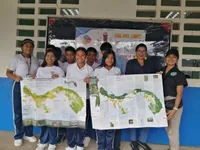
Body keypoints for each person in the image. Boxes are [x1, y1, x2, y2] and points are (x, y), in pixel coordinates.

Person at [125, 43, 158, 150]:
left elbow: (155, 77)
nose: (141, 53)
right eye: (139, 50)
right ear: (136, 52)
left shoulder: (151, 63)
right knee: (133, 116)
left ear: (146, 52)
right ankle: (133, 141)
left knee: (148, 116)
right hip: (133, 95)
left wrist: (158, 74)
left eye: (143, 51)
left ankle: (142, 140)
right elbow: (127, 78)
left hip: (147, 95)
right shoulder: (130, 63)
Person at [6, 39, 39, 146]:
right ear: (22, 47)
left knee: (30, 111)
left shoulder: (35, 59)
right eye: (26, 46)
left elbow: (37, 73)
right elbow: (8, 72)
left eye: (30, 46)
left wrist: (36, 76)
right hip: (18, 86)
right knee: (18, 111)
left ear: (33, 48)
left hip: (31, 88)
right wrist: (15, 77)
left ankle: (28, 134)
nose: (28, 48)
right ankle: (18, 135)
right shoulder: (16, 58)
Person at [65, 47, 93, 150]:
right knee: (71, 122)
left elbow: (93, 86)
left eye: (82, 55)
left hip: (84, 99)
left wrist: (89, 82)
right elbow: (67, 82)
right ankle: (71, 145)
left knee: (82, 122)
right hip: (72, 99)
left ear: (85, 57)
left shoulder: (90, 69)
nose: (80, 57)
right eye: (78, 55)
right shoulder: (70, 68)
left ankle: (80, 144)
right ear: (75, 56)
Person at [36, 49, 64, 150]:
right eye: (48, 56)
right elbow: (37, 84)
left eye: (52, 56)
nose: (50, 58)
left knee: (53, 121)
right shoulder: (40, 69)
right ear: (45, 57)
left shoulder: (59, 70)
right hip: (43, 99)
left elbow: (63, 84)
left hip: (54, 100)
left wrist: (58, 78)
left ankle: (52, 143)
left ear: (55, 58)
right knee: (43, 121)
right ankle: (43, 141)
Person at [159, 49, 187, 150]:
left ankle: (174, 148)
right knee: (168, 129)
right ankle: (172, 147)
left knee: (173, 130)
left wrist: (174, 109)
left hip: (174, 104)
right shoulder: (161, 72)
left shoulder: (179, 74)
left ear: (177, 59)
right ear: (165, 58)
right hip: (163, 104)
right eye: (169, 57)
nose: (171, 59)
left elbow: (179, 93)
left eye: (174, 57)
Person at [94, 49, 121, 150]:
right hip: (100, 103)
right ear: (104, 58)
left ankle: (109, 148)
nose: (110, 60)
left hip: (113, 103)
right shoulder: (97, 70)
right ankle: (101, 147)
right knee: (100, 128)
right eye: (107, 57)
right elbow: (93, 86)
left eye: (112, 58)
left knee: (111, 128)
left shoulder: (117, 70)